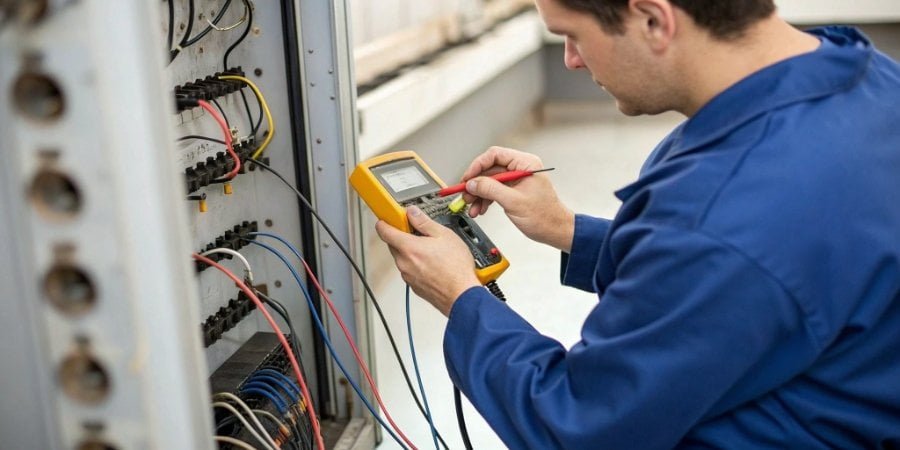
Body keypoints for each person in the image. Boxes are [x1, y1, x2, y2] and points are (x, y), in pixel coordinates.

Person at [375, 0, 900, 447]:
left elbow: (575, 425)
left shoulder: (720, 213)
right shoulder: (871, 80)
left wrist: (460, 297)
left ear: (652, 18)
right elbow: (753, 281)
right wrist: (569, 231)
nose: (571, 60)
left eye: (572, 35)